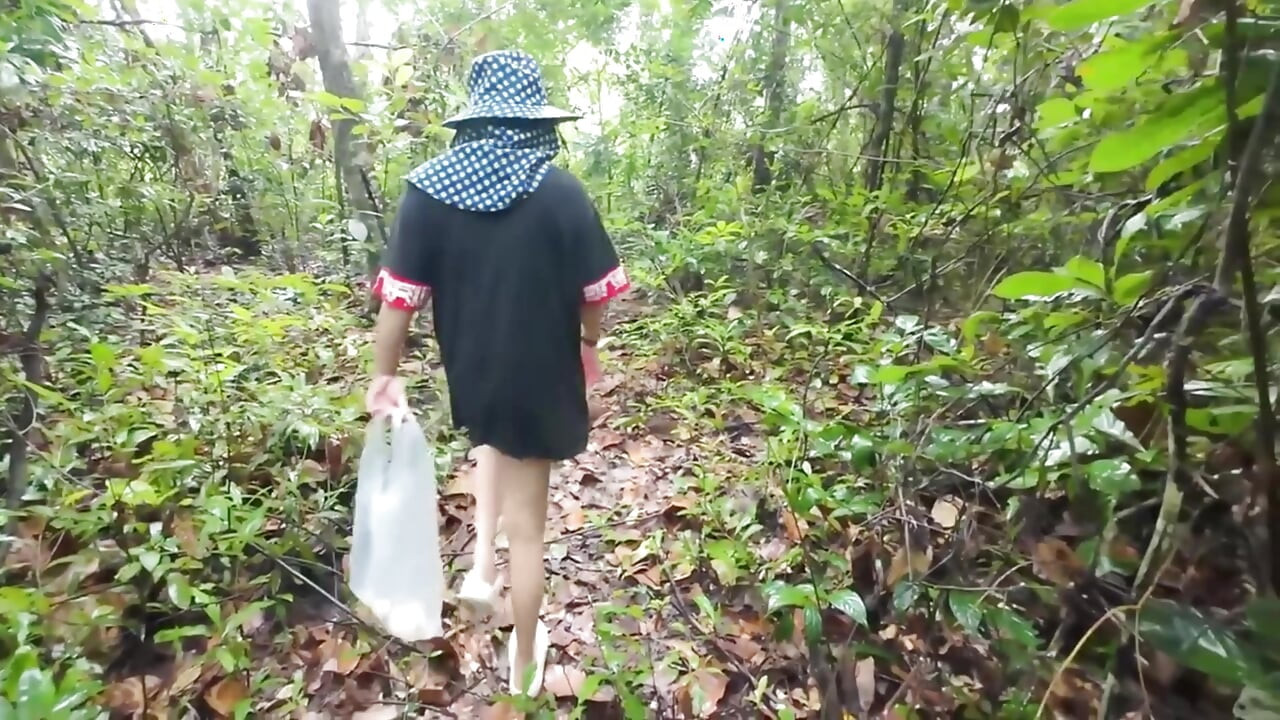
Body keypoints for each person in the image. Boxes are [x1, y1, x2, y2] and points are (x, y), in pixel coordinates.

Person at [363, 50, 628, 697]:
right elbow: (599, 291)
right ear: (534, 120)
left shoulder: (427, 192)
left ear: (474, 119)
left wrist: (384, 375)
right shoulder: (561, 192)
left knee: (490, 441)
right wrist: (588, 340)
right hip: (542, 375)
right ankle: (525, 665)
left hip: (473, 370)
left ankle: (481, 568)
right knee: (532, 532)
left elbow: (398, 301)